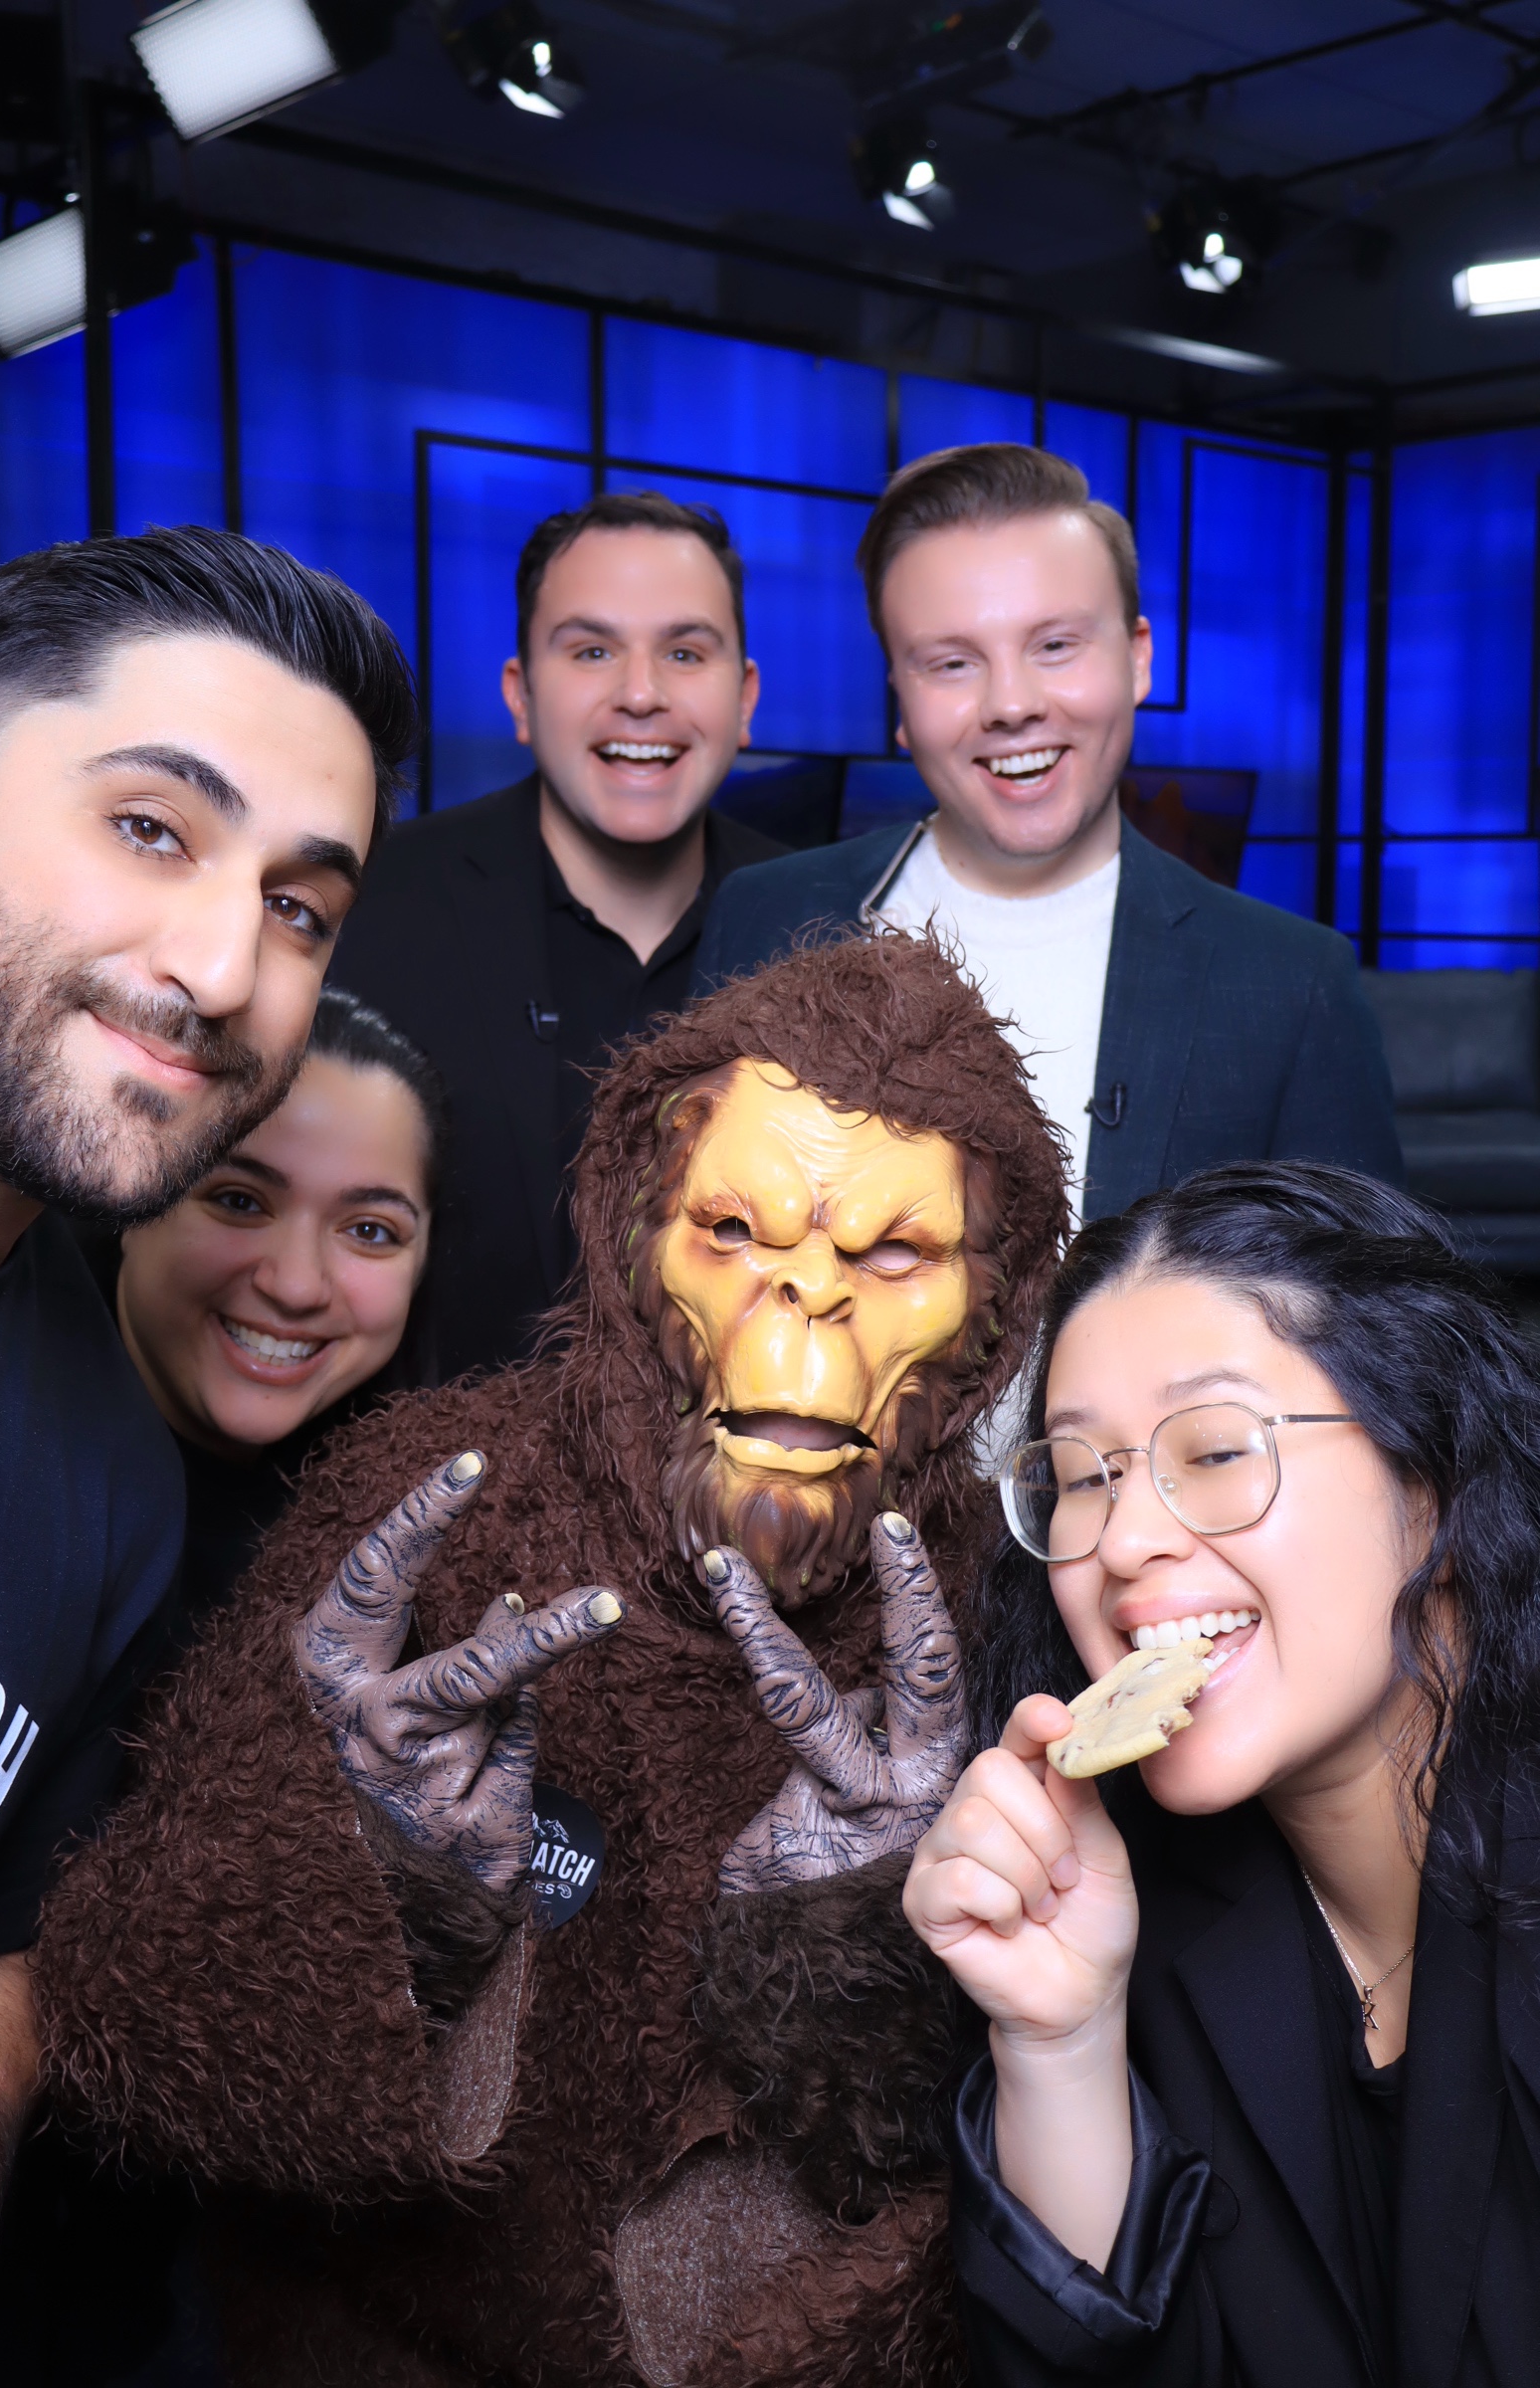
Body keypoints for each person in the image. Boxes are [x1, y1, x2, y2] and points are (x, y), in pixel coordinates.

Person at [36, 932, 1070, 2388]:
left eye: (889, 1253)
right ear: (635, 1237)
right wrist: (400, 1899)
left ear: (999, 1300)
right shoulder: (438, 1502)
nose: (804, 1304)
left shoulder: (1019, 1603)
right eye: (736, 1233)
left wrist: (844, 1957)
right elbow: (122, 2030)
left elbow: (1030, 2219)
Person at [0, 521, 412, 2384]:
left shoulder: (104, 1468)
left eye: (303, 907)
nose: (228, 963)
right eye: (152, 827)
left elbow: (2, 1958)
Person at [905, 1160, 1540, 2386]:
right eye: (1083, 1477)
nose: (1125, 1538)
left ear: (1437, 1480)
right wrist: (1059, 2044)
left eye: (1210, 1449)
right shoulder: (1155, 1918)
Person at [695, 445, 1403, 1224]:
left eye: (1055, 646)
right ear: (900, 699)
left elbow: (1370, 1328)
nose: (1011, 704)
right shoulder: (762, 917)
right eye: (952, 662)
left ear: (1138, 659)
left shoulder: (1292, 985)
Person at [331, 488, 785, 1383]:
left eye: (685, 651)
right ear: (522, 695)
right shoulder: (370, 903)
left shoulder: (819, 921)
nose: (642, 694)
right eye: (592, 650)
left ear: (745, 697)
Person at [109, 985, 444, 1627]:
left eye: (369, 1230)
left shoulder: (405, 1567)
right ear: (131, 1198)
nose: (295, 1286)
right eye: (239, 1200)